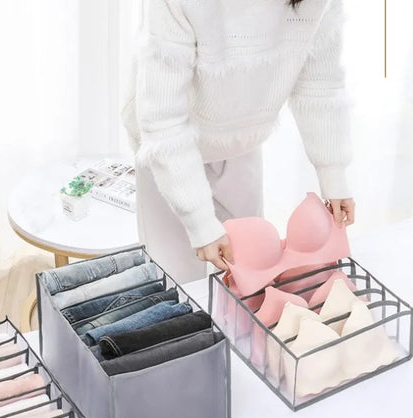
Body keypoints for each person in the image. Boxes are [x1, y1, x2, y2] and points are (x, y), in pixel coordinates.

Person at [122, 0, 356, 283]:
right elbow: (164, 121)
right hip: (167, 152)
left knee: (250, 273)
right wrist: (199, 222)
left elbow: (321, 86)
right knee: (174, 282)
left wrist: (333, 176)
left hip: (241, 142)